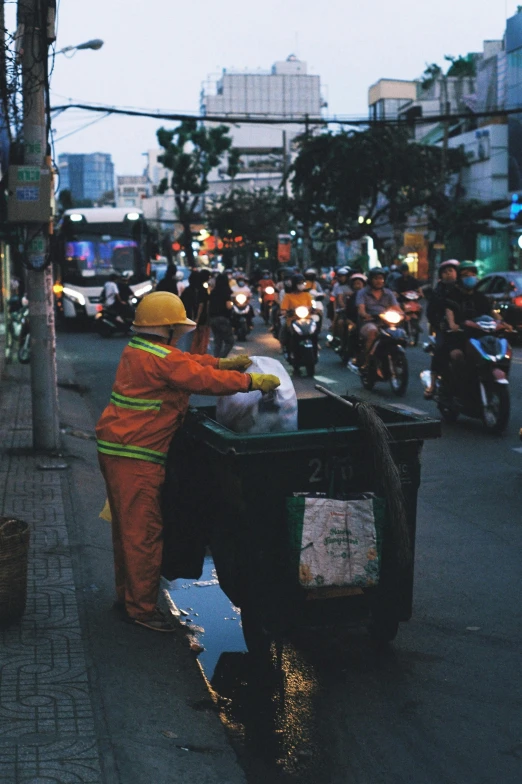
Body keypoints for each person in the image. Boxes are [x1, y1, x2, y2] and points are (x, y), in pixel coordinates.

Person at [96, 291, 280, 632]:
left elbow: (189, 365)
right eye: (176, 328)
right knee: (143, 534)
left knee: (126, 530)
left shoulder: (141, 350)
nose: (180, 332)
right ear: (167, 328)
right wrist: (249, 381)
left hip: (117, 449)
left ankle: (128, 597)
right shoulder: (161, 359)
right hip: (137, 456)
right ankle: (142, 610)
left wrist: (222, 363)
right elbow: (200, 379)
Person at [424, 260, 460, 398]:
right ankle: (432, 384)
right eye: (445, 272)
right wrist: (439, 324)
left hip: (464, 327)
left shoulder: (463, 290)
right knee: (440, 349)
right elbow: (431, 312)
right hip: (444, 329)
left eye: (451, 271)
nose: (448, 274)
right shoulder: (438, 292)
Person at [356, 268, 401, 367]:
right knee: (372, 332)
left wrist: (403, 315)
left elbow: (396, 307)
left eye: (381, 278)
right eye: (376, 278)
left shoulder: (388, 293)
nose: (379, 281)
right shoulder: (362, 293)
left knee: (399, 334)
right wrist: (365, 315)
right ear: (371, 280)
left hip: (386, 322)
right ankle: (366, 360)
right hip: (369, 321)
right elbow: (361, 309)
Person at [280, 273, 314, 351]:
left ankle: (315, 343)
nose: (302, 285)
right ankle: (283, 345)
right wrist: (286, 312)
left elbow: (311, 306)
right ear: (295, 284)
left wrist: (312, 309)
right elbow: (283, 310)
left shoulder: (307, 295)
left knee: (314, 328)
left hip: (307, 319)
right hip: (293, 319)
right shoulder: (288, 296)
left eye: (303, 283)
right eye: (299, 283)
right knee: (284, 328)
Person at [209, 272, 235, 358]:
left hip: (213, 319)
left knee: (218, 341)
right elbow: (228, 306)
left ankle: (216, 360)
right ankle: (222, 359)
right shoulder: (226, 291)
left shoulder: (213, 292)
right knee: (230, 341)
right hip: (223, 319)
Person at [190, 268, 211, 354]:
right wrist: (198, 318)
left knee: (196, 338)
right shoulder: (202, 289)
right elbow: (202, 304)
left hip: (197, 316)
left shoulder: (195, 288)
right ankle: (200, 355)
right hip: (202, 317)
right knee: (201, 338)